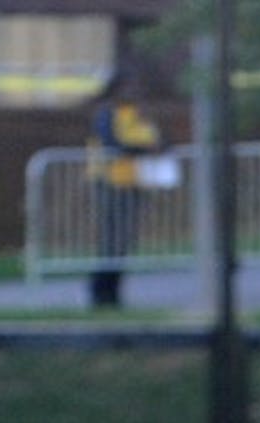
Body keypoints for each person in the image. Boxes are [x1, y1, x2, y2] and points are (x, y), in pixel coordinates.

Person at [86, 72, 162, 309]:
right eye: (128, 88)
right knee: (111, 240)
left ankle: (115, 294)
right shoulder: (107, 114)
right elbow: (112, 143)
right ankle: (101, 292)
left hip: (131, 181)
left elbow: (157, 139)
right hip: (109, 181)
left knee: (124, 242)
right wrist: (142, 149)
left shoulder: (137, 115)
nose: (133, 93)